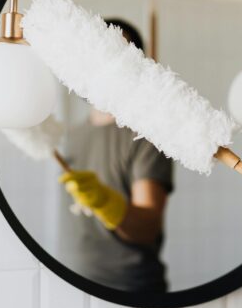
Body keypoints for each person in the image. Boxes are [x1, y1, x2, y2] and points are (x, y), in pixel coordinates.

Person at [58, 19, 173, 292]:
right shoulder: (72, 136)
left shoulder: (148, 136)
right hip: (70, 282)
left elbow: (147, 228)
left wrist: (106, 203)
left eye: (113, 56)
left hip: (130, 289)